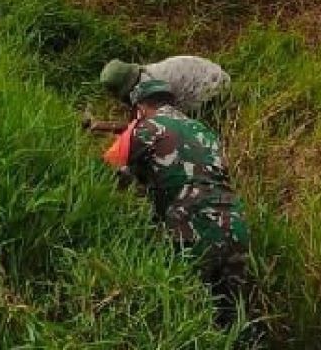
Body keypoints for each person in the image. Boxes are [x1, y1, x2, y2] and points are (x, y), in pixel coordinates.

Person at [101, 79, 250, 327]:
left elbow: (108, 172)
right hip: (234, 223)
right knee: (230, 319)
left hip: (191, 224)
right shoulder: (205, 130)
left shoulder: (146, 127)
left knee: (186, 312)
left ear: (140, 107)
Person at [99, 56, 231, 117]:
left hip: (216, 90)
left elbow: (163, 125)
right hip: (216, 74)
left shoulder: (151, 91)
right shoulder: (148, 72)